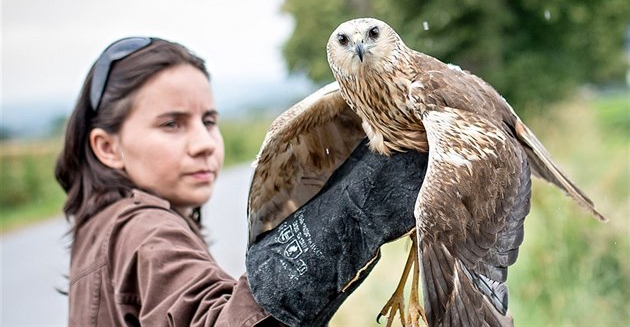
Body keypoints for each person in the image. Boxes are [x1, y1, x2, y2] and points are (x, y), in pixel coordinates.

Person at [55, 37, 428, 326]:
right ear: (108, 148)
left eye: (209, 121)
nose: (203, 144)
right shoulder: (145, 230)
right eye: (171, 124)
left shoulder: (101, 226)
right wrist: (347, 215)